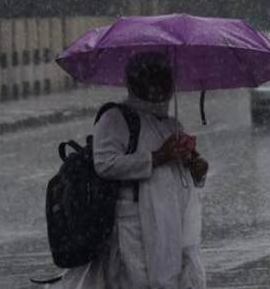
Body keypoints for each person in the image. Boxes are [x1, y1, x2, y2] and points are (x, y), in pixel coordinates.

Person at [58, 52, 209, 289]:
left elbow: (178, 177)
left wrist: (196, 168)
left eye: (164, 79)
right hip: (133, 227)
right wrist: (157, 157)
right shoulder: (115, 118)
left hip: (169, 223)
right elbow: (105, 164)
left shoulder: (171, 124)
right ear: (134, 82)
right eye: (152, 79)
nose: (159, 87)